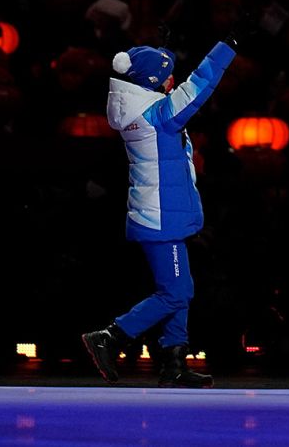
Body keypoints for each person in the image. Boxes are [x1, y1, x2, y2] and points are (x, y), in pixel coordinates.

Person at [82, 35, 239, 388]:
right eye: (167, 76)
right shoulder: (159, 115)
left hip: (161, 214)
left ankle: (173, 363)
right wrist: (227, 45)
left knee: (181, 287)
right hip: (160, 218)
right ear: (153, 83)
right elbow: (200, 83)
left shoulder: (141, 109)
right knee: (176, 292)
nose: (172, 81)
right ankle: (110, 336)